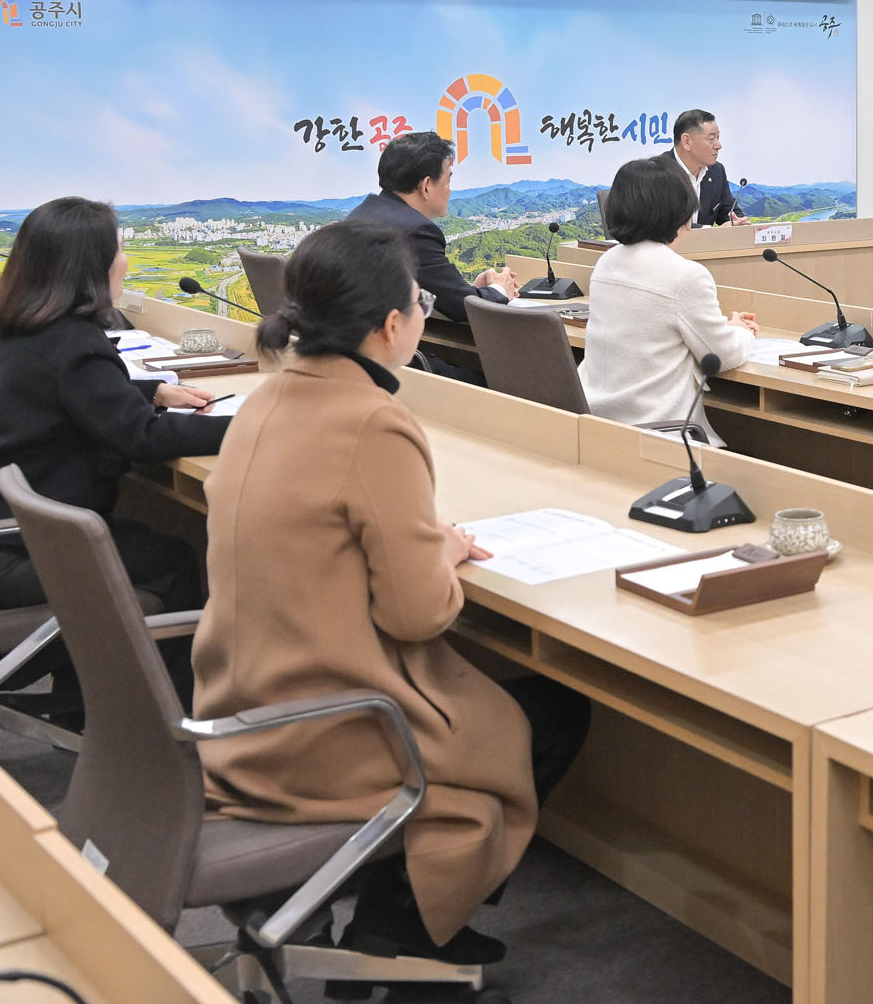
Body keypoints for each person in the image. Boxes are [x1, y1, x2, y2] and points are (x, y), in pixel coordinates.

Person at [192, 219, 590, 964]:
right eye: (419, 303)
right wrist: (441, 547)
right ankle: (402, 928)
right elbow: (417, 615)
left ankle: (383, 912)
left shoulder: (263, 400)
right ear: (388, 325)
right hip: (326, 729)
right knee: (548, 712)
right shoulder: (375, 420)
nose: (422, 316)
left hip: (237, 705)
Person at [0, 197, 225, 612]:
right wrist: (255, 423)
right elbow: (143, 437)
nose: (126, 262)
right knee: (172, 559)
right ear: (91, 267)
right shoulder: (75, 344)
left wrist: (150, 390)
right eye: (119, 251)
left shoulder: (11, 324)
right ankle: (145, 659)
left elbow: (54, 390)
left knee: (144, 536)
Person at [580, 158, 758, 443]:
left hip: (598, 425)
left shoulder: (606, 262)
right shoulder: (685, 275)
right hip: (661, 436)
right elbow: (722, 356)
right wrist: (741, 331)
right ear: (679, 211)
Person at [349, 131, 518, 322]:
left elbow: (436, 289)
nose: (449, 191)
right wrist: (501, 288)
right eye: (448, 181)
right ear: (427, 186)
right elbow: (463, 308)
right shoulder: (416, 231)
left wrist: (470, 290)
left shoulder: (362, 212)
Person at [654, 109, 748, 227]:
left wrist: (740, 223)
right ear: (687, 142)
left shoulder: (717, 171)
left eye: (718, 137)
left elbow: (728, 210)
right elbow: (666, 225)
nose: (719, 146)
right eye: (711, 139)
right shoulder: (655, 174)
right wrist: (713, 233)